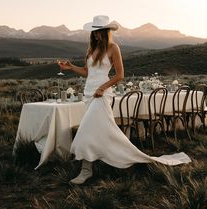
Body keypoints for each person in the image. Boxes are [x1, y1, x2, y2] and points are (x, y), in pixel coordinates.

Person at [59, 15, 191, 185]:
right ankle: (107, 158)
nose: (96, 35)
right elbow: (87, 72)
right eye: (94, 32)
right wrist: (70, 67)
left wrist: (103, 88)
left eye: (99, 32)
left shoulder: (113, 48)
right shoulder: (91, 50)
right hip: (89, 94)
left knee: (86, 128)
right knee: (99, 130)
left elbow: (120, 75)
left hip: (102, 94)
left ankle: (86, 170)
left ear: (106, 32)